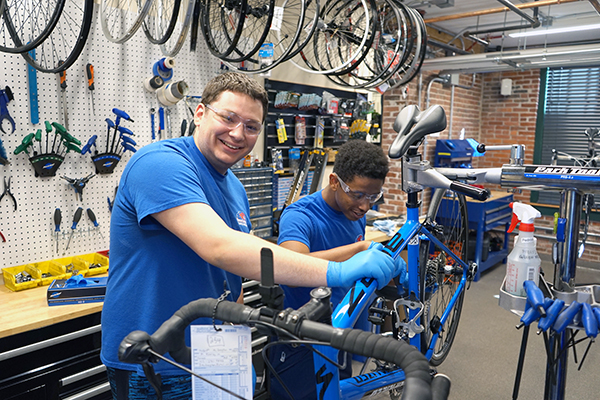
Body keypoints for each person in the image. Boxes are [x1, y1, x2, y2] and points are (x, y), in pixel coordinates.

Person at [100, 72, 400, 399]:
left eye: (251, 126)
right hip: (155, 355)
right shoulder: (160, 163)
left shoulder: (234, 188)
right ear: (200, 114)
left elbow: (234, 274)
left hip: (213, 352)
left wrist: (237, 346)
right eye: (228, 117)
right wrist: (338, 269)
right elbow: (218, 246)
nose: (238, 133)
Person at [270, 139, 406, 399]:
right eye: (358, 194)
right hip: (301, 337)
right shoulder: (300, 215)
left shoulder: (355, 212)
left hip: (340, 327)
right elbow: (291, 263)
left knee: (337, 393)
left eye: (372, 196)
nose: (365, 205)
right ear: (335, 181)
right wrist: (358, 251)